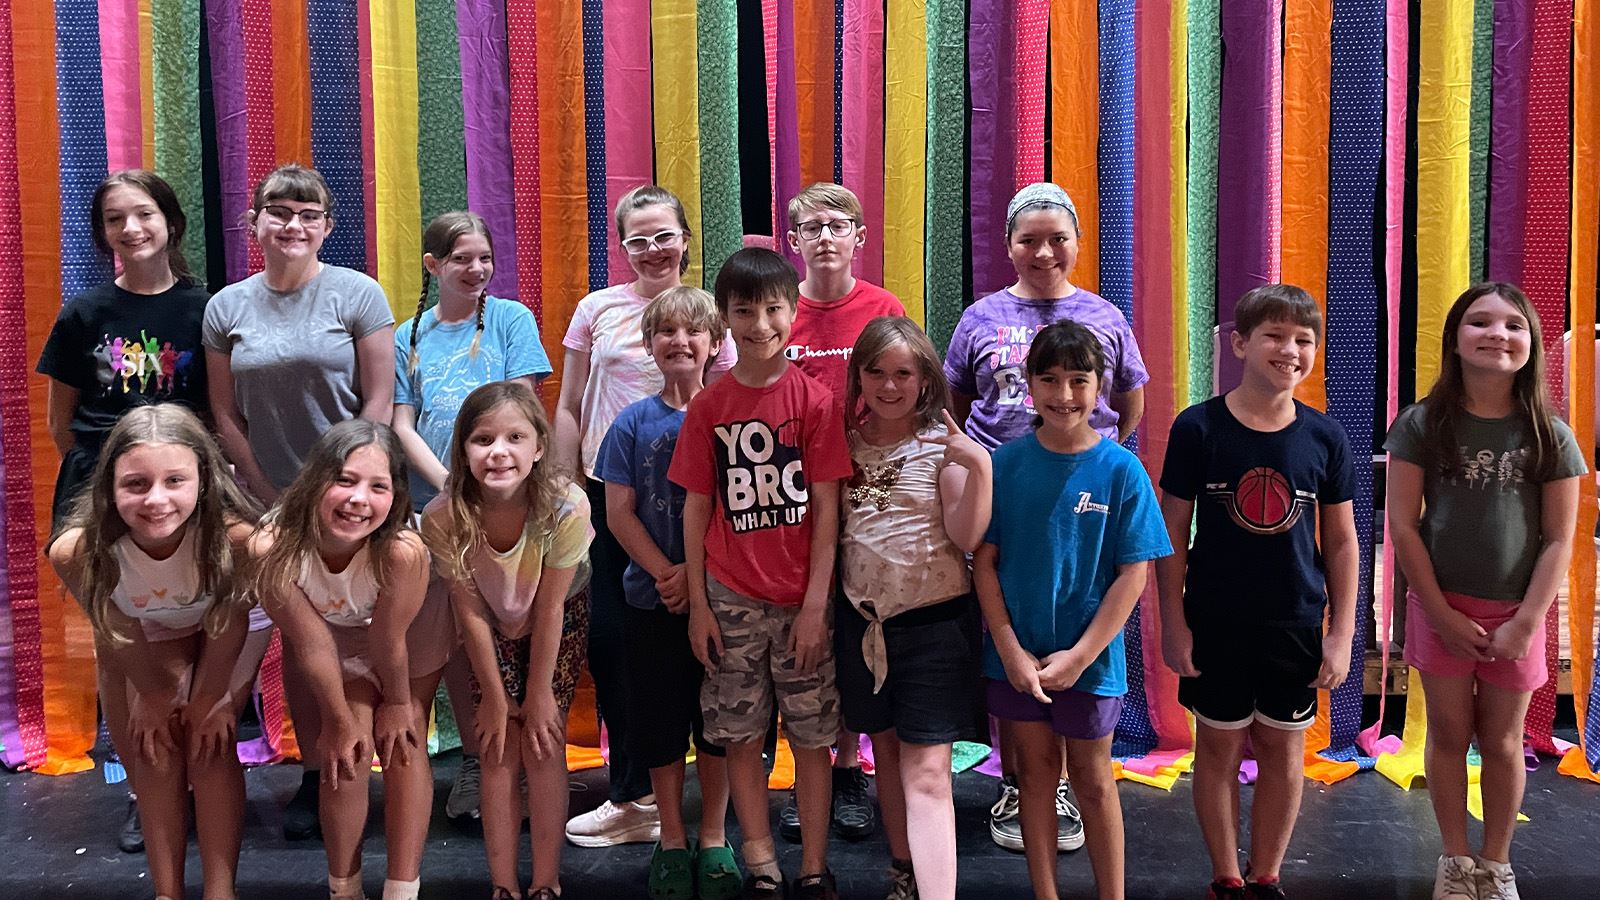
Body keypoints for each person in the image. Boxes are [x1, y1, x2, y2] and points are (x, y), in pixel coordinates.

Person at [944, 182, 1150, 852]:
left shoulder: (1105, 316)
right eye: (1028, 239)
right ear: (1008, 245)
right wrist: (985, 474)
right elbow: (954, 400)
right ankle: (1021, 780)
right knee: (1010, 632)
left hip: (1079, 503)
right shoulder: (980, 317)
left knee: (1077, 622)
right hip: (1002, 501)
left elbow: (1132, 401)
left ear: (1078, 244)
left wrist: (1093, 457)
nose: (1043, 252)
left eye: (1057, 238)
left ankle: (1062, 782)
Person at [204, 162, 396, 839]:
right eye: (280, 212)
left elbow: (379, 400)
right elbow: (224, 416)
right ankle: (318, 774)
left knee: (362, 634)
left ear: (327, 226)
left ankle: (376, 766)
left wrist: (346, 487)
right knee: (301, 638)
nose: (293, 224)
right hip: (272, 501)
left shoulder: (357, 294)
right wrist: (272, 497)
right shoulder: (226, 307)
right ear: (254, 222)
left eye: (308, 214)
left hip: (353, 499)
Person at [1155, 285, 1360, 900]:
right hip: (1215, 620)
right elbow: (1170, 534)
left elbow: (1342, 543)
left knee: (1283, 751)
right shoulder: (1197, 427)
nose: (1289, 349)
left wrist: (1342, 633)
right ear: (1240, 344)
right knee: (1217, 749)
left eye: (1303, 340)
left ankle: (1266, 876)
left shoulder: (1325, 437)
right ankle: (1226, 877)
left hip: (1294, 622)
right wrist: (1174, 623)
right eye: (1274, 335)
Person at [1385, 283, 1585, 900]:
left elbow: (1559, 539)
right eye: (1480, 322)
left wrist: (1526, 622)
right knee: (1448, 735)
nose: (1497, 334)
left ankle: (1496, 864)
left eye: (1513, 325)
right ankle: (1455, 858)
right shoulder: (1421, 423)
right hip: (1440, 608)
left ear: (1532, 345)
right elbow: (1403, 526)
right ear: (1454, 339)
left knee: (1501, 740)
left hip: (1518, 613)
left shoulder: (1551, 434)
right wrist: (1440, 613)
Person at [36, 169, 212, 853]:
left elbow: (221, 410)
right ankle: (146, 789)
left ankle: (196, 775)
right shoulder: (84, 315)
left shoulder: (206, 309)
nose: (131, 229)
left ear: (171, 222)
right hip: (103, 490)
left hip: (186, 490)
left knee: (188, 634)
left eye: (143, 214)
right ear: (103, 233)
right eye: (115, 219)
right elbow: (62, 423)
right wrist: (114, 484)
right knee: (119, 638)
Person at [555, 185, 736, 847]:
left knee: (705, 651)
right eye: (639, 239)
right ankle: (633, 795)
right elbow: (570, 404)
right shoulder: (596, 309)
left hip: (700, 510)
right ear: (623, 247)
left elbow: (728, 406)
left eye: (665, 236)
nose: (654, 249)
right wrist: (563, 487)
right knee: (615, 646)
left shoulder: (709, 315)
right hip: (613, 504)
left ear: (685, 239)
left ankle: (711, 809)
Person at [671, 248, 854, 900]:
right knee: (741, 737)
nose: (759, 324)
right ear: (724, 317)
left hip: (803, 601)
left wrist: (815, 606)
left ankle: (813, 866)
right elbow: (696, 509)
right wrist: (699, 605)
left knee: (812, 738)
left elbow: (828, 511)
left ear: (793, 311)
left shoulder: (815, 401)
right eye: (744, 311)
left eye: (773, 309)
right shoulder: (709, 406)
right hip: (731, 600)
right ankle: (761, 862)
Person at [976, 321, 1171, 900]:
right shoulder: (1004, 465)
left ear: (1101, 385)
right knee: (1035, 777)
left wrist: (1082, 655)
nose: (1064, 395)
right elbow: (984, 563)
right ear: (1029, 385)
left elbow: (1134, 573)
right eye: (1050, 380)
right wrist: (1011, 652)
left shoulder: (1122, 470)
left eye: (1078, 381)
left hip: (1093, 663)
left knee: (1092, 779)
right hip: (1017, 661)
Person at [48, 404, 264, 900]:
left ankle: (220, 891)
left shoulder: (240, 542)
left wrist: (208, 699)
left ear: (204, 481)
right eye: (137, 484)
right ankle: (168, 891)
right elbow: (116, 630)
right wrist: (154, 693)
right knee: (153, 751)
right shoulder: (78, 552)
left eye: (174, 481)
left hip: (225, 630)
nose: (157, 500)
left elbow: (229, 624)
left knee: (210, 743)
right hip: (143, 633)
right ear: (109, 487)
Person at [392, 210, 552, 824]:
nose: (477, 269)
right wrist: (451, 488)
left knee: (515, 627)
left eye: (484, 257)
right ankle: (474, 756)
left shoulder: (511, 319)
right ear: (433, 266)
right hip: (441, 509)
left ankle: (523, 757)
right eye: (462, 259)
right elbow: (402, 424)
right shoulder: (409, 335)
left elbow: (523, 406)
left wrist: (487, 486)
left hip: (508, 502)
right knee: (460, 632)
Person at [249, 420, 447, 900]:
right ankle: (344, 888)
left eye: (378, 487)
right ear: (315, 479)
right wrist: (337, 720)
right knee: (346, 746)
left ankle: (402, 888)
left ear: (395, 497)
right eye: (345, 480)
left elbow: (389, 638)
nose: (359, 499)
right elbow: (311, 642)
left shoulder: (403, 552)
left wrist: (397, 703)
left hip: (411, 630)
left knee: (403, 740)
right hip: (336, 632)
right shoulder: (271, 547)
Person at [834, 316, 992, 900]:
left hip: (932, 628)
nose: (889, 385)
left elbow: (967, 536)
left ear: (925, 378)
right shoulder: (845, 442)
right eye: (876, 372)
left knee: (927, 772)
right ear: (859, 376)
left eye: (903, 373)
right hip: (864, 626)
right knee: (887, 752)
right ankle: (905, 874)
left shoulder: (941, 445)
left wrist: (979, 466)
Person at [422, 382, 593, 900]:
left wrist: (538, 694)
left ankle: (545, 880)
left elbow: (550, 606)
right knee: (496, 747)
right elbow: (469, 610)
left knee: (542, 741)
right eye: (483, 439)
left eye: (515, 438)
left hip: (557, 615)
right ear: (463, 451)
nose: (499, 452)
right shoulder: (444, 516)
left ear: (538, 448)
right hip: (487, 621)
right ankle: (502, 883)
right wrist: (496, 698)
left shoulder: (566, 506)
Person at [596, 287, 738, 900]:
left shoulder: (732, 416)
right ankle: (672, 837)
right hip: (653, 601)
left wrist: (700, 578)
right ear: (649, 345)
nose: (679, 342)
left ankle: (714, 834)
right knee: (658, 722)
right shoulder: (630, 423)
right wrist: (667, 574)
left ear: (715, 343)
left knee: (717, 722)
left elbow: (740, 510)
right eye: (666, 332)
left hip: (725, 601)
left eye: (693, 331)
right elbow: (618, 513)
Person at [779, 181, 905, 842]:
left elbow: (906, 393)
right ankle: (805, 767)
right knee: (799, 632)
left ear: (859, 237)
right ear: (792, 241)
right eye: (811, 227)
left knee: (853, 628)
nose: (824, 237)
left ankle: (849, 766)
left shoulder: (883, 308)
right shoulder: (779, 310)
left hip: (865, 493)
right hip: (786, 495)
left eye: (837, 225)